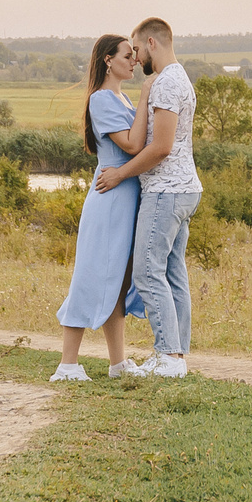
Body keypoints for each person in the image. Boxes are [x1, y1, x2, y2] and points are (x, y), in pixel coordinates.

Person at [91, 17, 199, 377]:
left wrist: (120, 173)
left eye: (137, 49)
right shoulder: (179, 78)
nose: (137, 59)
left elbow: (161, 147)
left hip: (166, 191)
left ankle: (168, 356)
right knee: (172, 273)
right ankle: (177, 357)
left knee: (147, 272)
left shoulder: (166, 82)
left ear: (152, 43)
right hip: (184, 189)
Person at [51, 33, 150, 382]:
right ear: (108, 60)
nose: (133, 60)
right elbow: (134, 144)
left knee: (118, 284)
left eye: (134, 55)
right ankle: (67, 364)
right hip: (110, 199)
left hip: (125, 197)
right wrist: (148, 96)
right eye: (127, 55)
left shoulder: (120, 100)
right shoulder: (102, 100)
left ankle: (118, 362)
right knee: (91, 275)